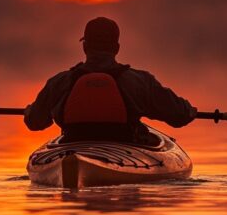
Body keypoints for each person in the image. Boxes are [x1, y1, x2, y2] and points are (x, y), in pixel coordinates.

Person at [24, 17, 197, 143]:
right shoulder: (140, 81)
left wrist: (30, 112)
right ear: (116, 48)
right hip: (125, 144)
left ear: (85, 47)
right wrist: (189, 110)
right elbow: (179, 115)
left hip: (72, 143)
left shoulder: (59, 82)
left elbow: (35, 122)